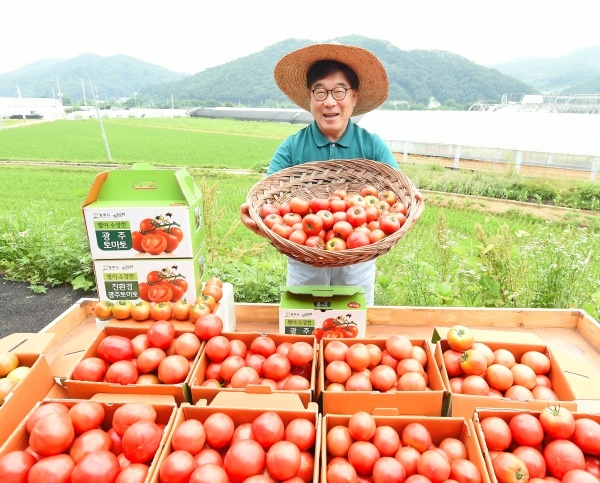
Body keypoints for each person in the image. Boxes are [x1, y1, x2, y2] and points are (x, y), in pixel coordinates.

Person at [240, 42, 420, 305]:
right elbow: (267, 204)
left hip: (359, 255)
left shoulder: (371, 145)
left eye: (339, 91)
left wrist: (412, 208)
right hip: (305, 256)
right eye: (320, 92)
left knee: (353, 325)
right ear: (310, 99)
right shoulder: (292, 148)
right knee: (305, 324)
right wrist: (259, 221)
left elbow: (399, 197)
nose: (330, 102)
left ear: (354, 97)